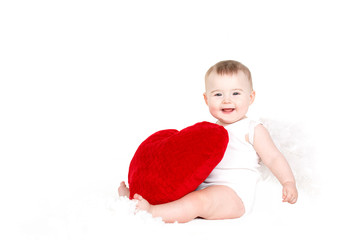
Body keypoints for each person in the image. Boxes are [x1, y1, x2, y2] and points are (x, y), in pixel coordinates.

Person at [118, 60, 298, 223]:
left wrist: (288, 182)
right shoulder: (207, 132)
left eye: (236, 93)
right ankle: (136, 198)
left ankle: (152, 211)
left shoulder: (252, 129)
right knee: (174, 190)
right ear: (206, 99)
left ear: (250, 97)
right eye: (218, 94)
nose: (227, 99)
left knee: (198, 201)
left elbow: (273, 157)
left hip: (233, 195)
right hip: (201, 186)